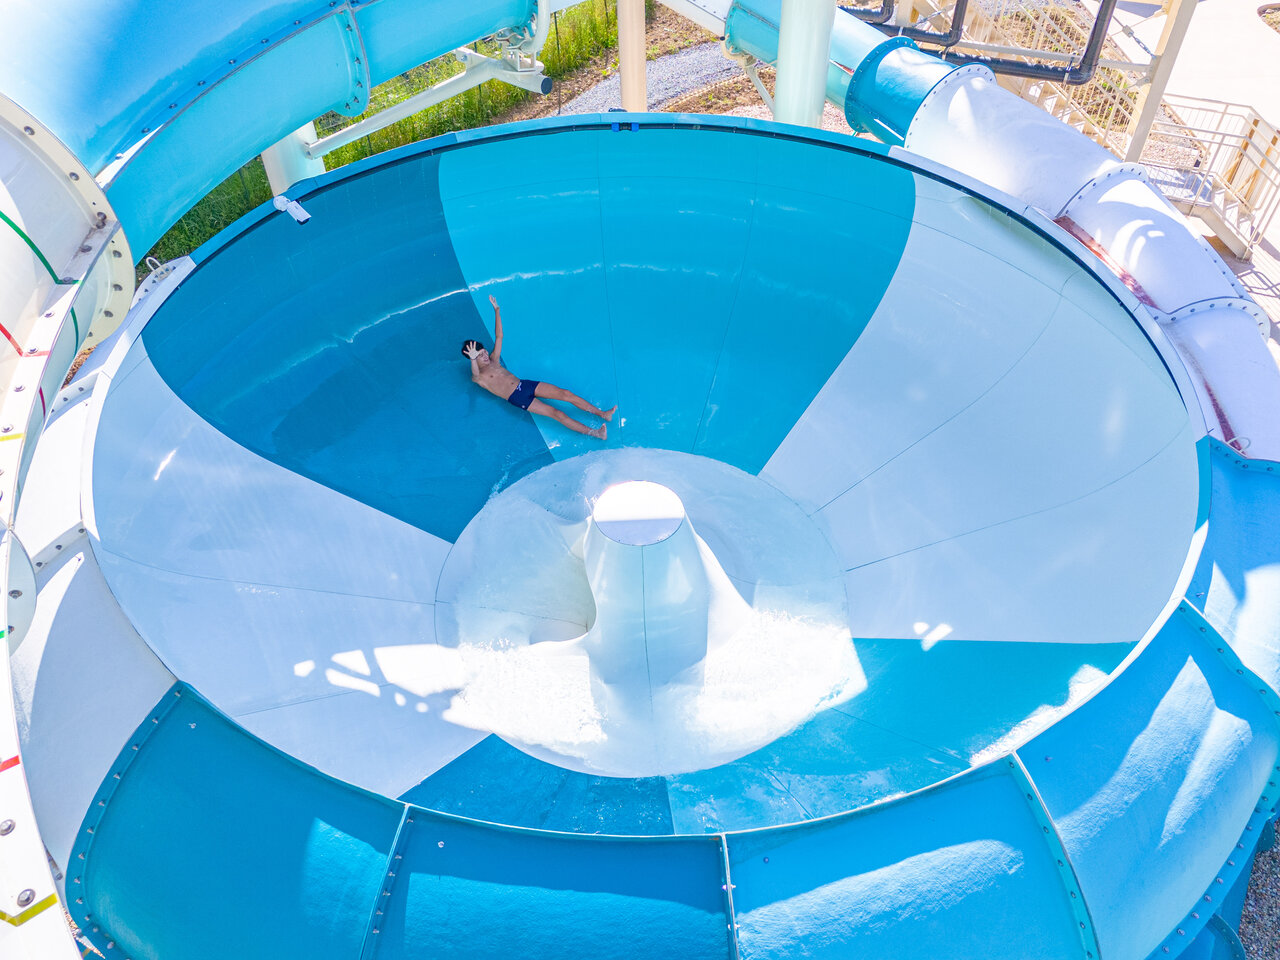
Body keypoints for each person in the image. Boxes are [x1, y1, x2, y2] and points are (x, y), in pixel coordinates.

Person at [462, 295, 616, 439]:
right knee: (557, 413)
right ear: (473, 359)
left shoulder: (494, 359)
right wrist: (473, 358)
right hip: (517, 397)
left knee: (566, 393)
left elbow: (499, 336)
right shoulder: (479, 377)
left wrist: (497, 311)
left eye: (483, 352)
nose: (484, 356)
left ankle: (603, 414)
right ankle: (596, 433)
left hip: (525, 384)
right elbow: (474, 372)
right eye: (479, 356)